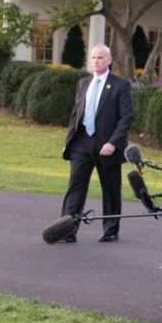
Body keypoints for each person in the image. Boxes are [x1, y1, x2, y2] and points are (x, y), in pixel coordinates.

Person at [59, 44, 134, 243]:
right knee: (75, 187)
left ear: (109, 60)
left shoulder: (120, 85)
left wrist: (113, 142)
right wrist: (69, 143)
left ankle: (110, 230)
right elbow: (76, 115)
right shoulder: (83, 83)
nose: (96, 61)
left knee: (110, 188)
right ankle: (67, 229)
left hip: (107, 146)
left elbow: (126, 117)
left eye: (100, 58)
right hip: (82, 144)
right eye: (93, 58)